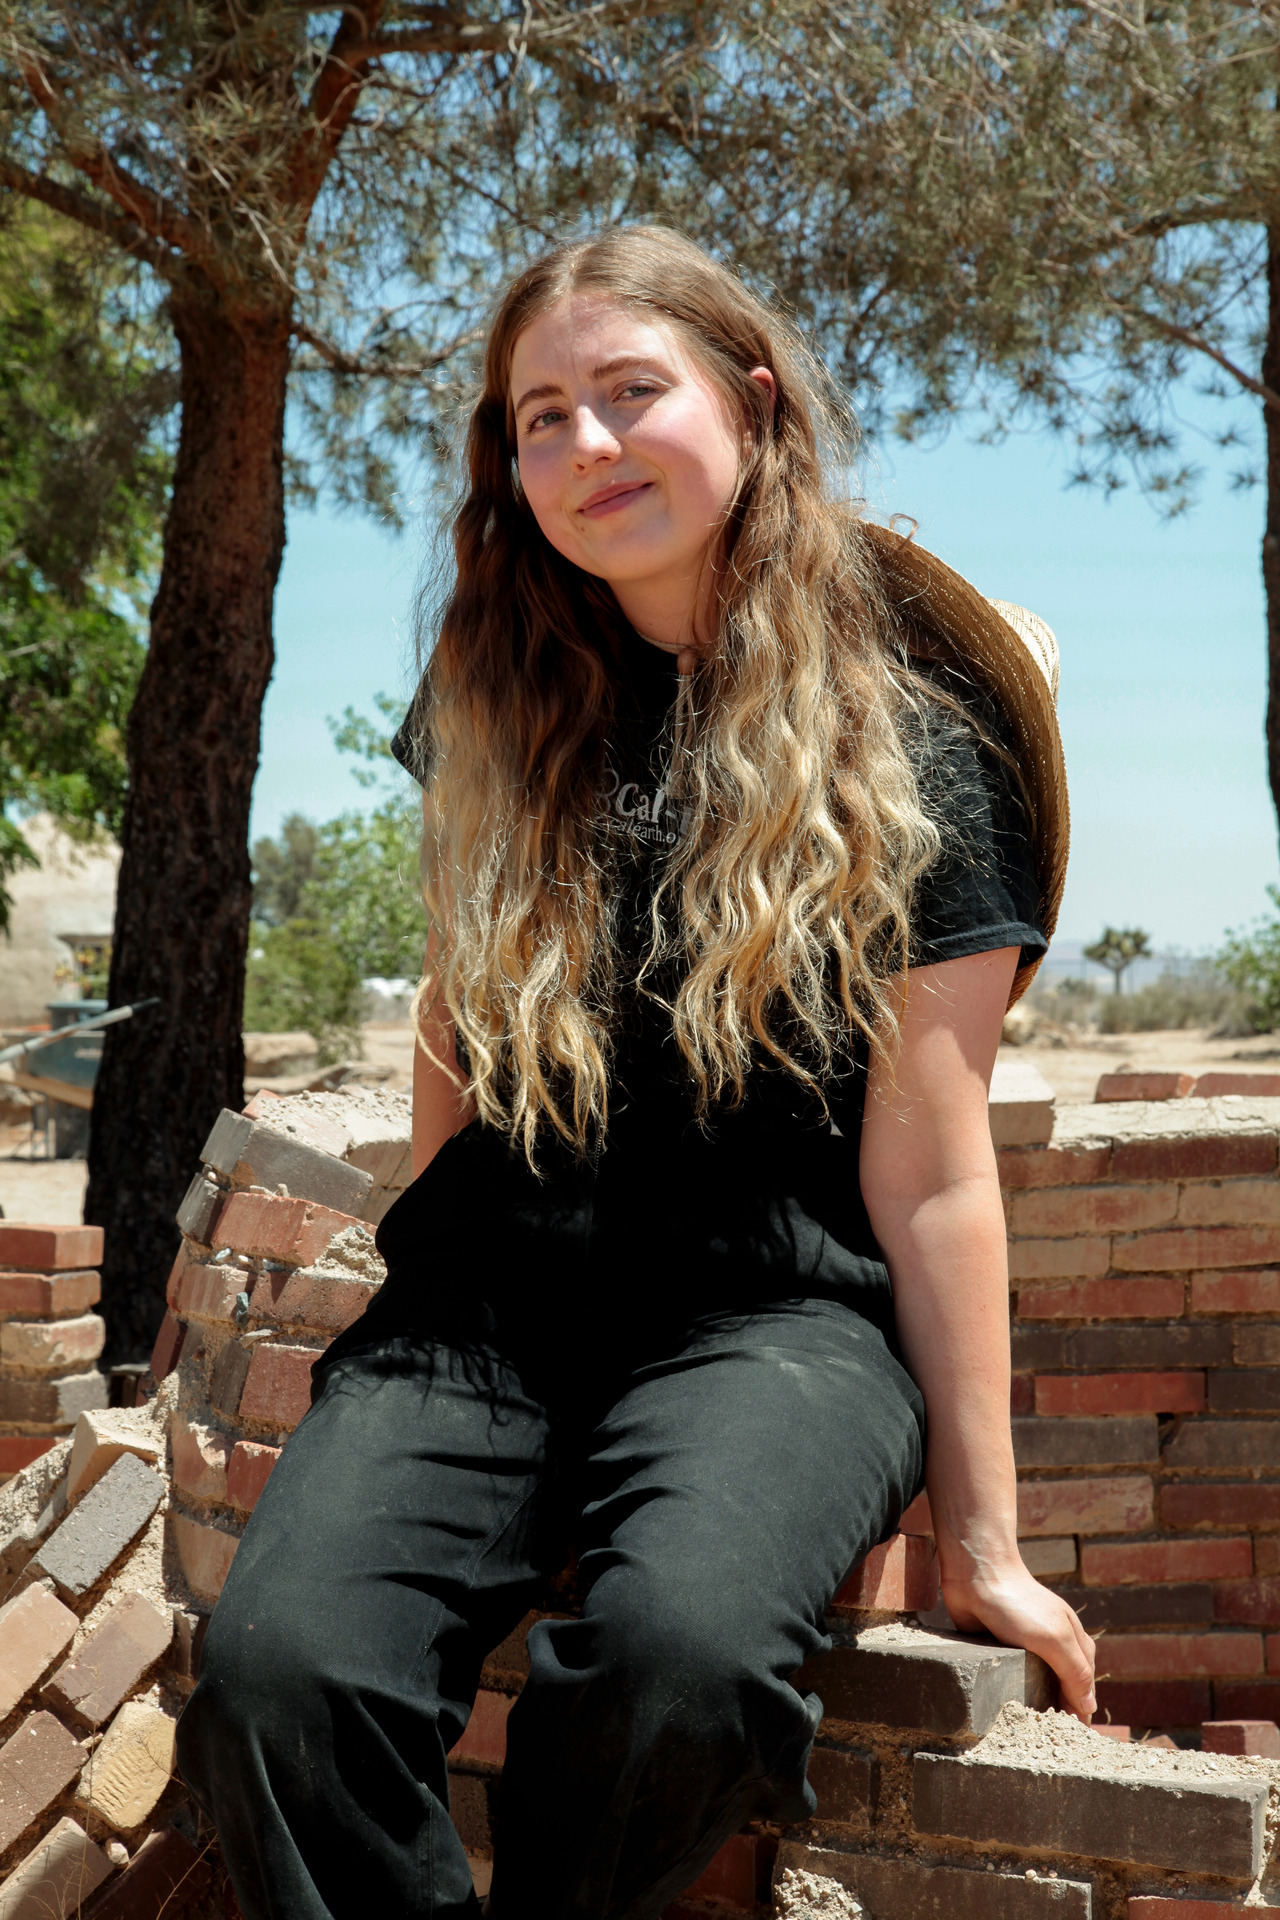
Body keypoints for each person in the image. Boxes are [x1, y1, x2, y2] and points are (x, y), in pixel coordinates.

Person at [177, 225, 1095, 1920]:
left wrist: (988, 1546)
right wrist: (432, 1272)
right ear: (507, 464)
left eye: (628, 392)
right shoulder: (493, 694)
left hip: (782, 1316)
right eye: (543, 418)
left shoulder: (919, 727)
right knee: (276, 1682)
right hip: (489, 1309)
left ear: (751, 403)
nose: (588, 446)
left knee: (683, 1661)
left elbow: (934, 1168)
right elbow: (460, 1018)